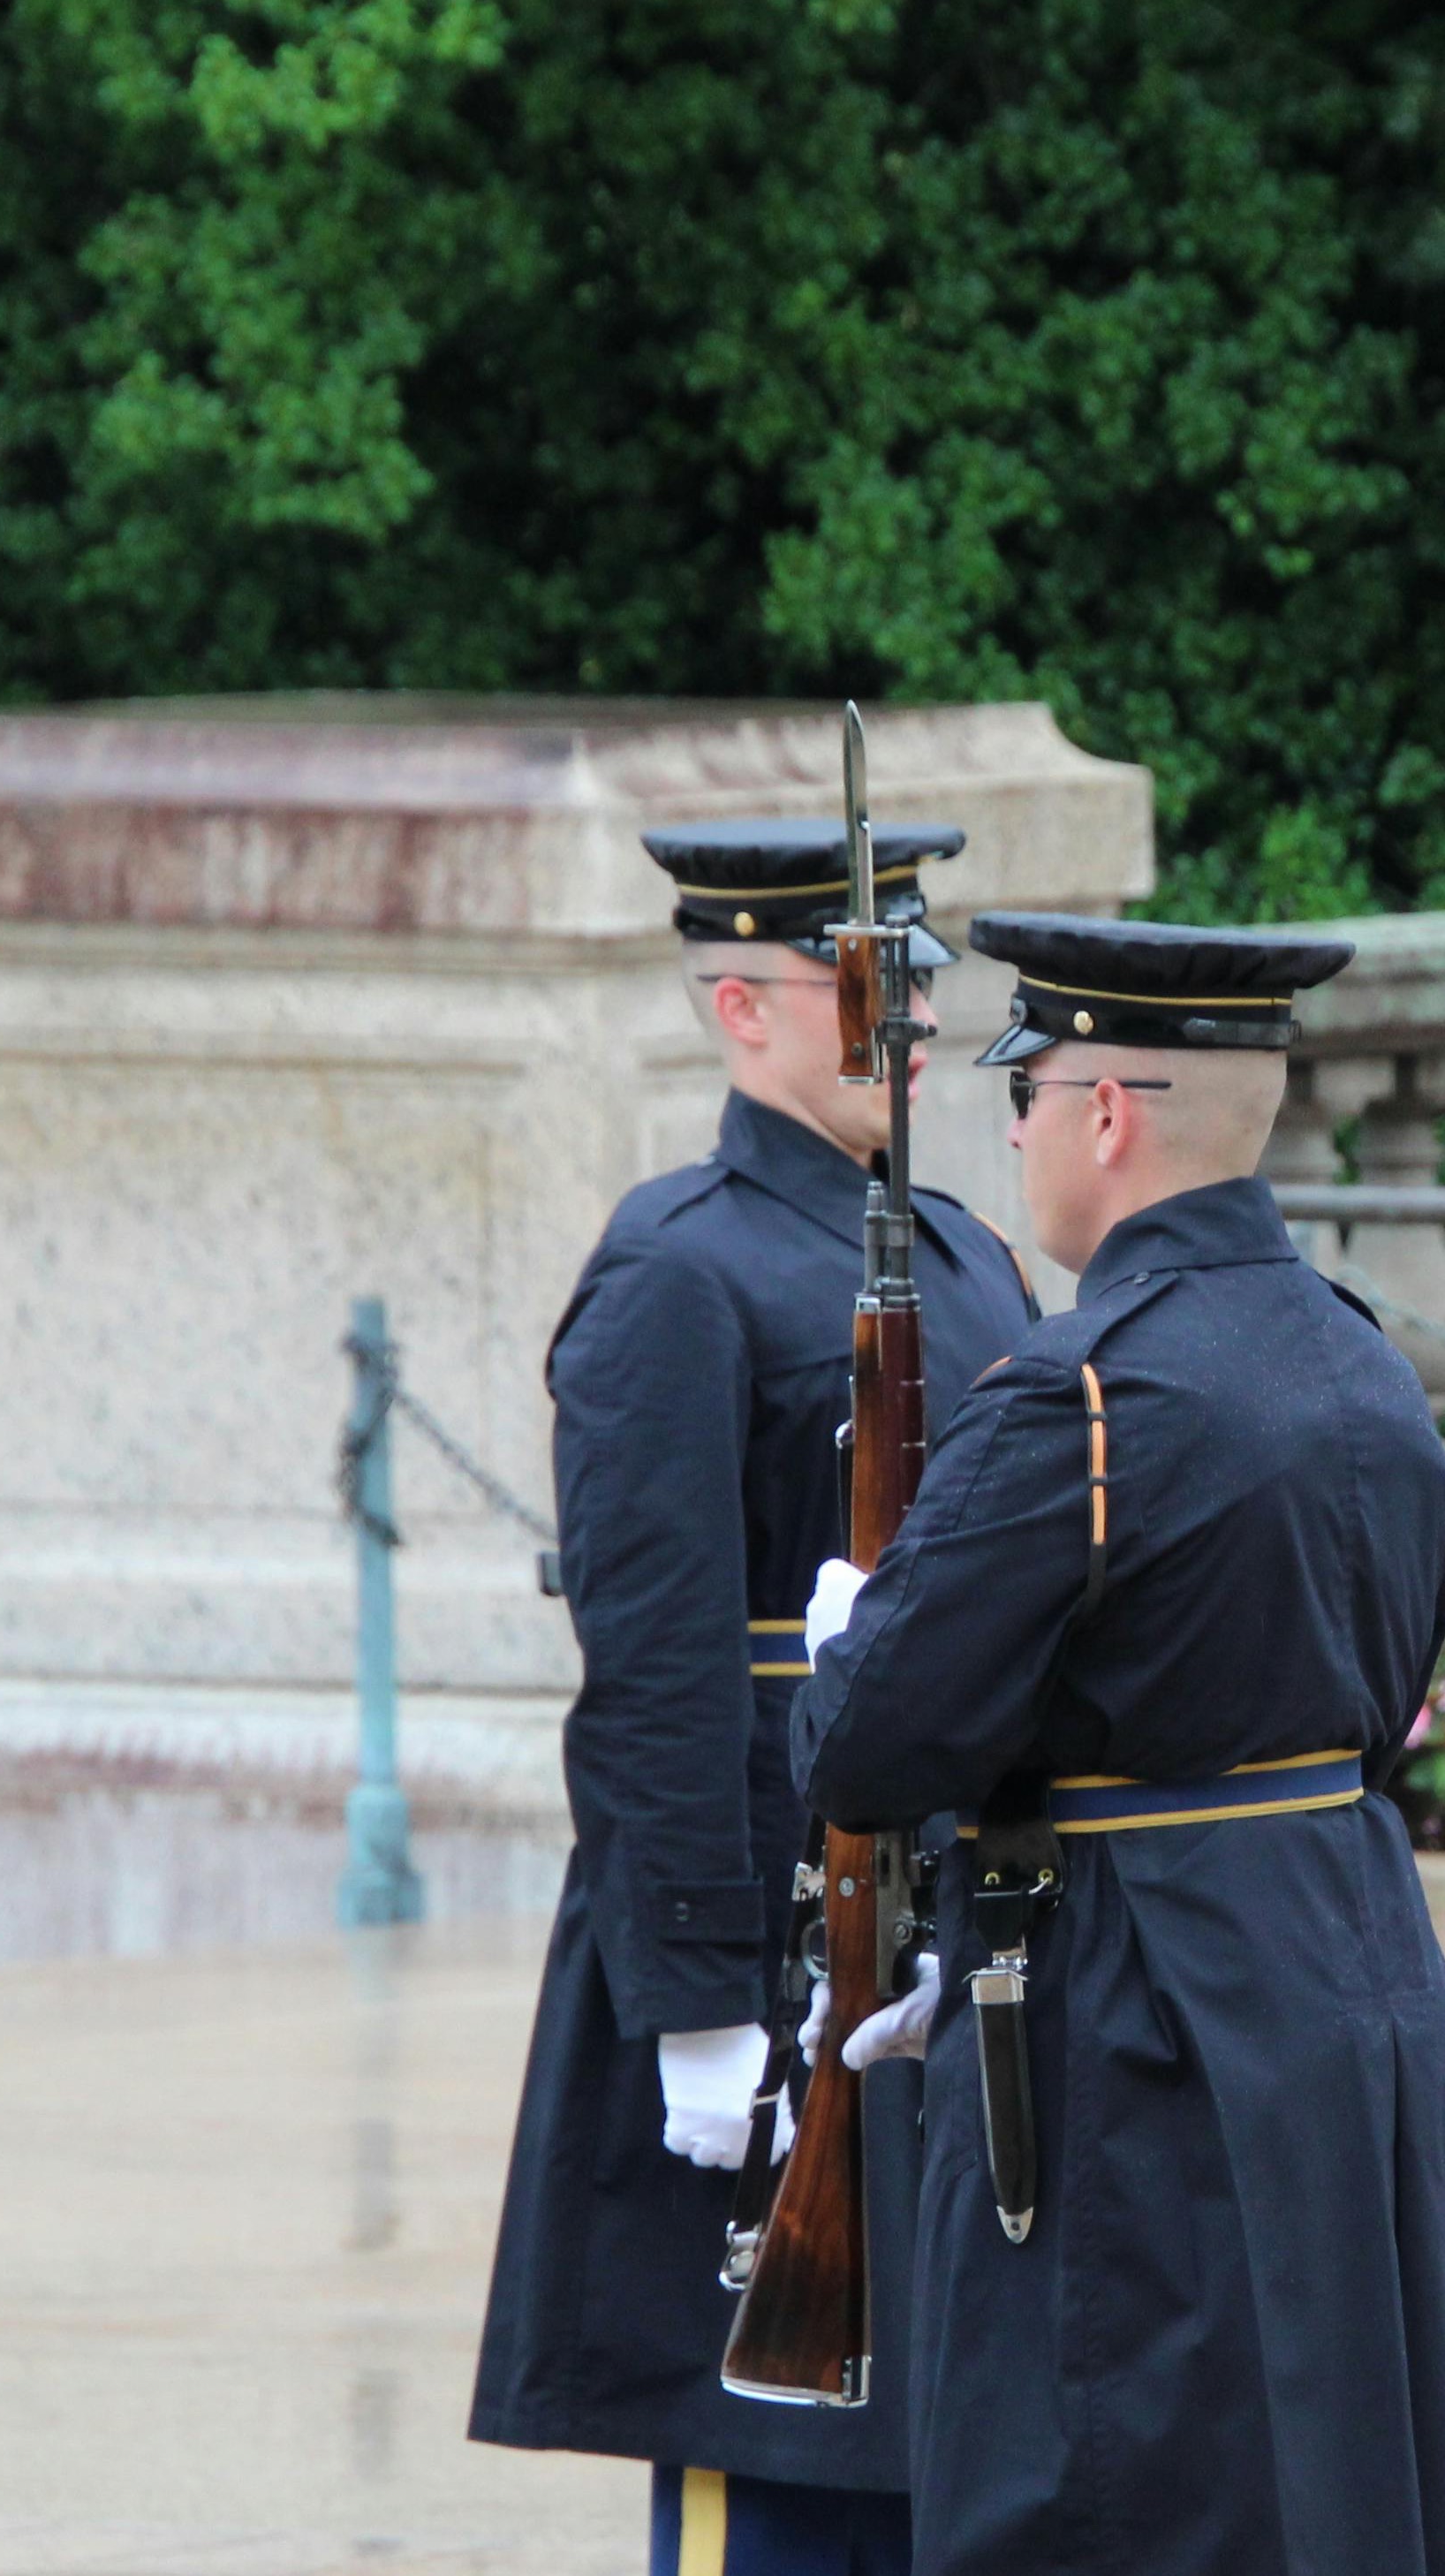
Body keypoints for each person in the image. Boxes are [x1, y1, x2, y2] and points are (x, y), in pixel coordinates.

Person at [790, 912, 1445, 2576]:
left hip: (1140, 2017)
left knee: (1119, 2486)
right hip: (1349, 1966)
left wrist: (851, 1625)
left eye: (1028, 1095)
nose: (1010, 1133)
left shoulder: (1077, 1396)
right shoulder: (1362, 1363)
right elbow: (1369, 1690)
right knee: (1348, 2473)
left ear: (1107, 1115)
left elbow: (866, 1748)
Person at [470, 819, 1042, 2576]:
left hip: (934, 1918)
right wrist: (698, 1997)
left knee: (944, 2452)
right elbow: (650, 1675)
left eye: (923, 984)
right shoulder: (680, 1271)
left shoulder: (961, 1257)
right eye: (868, 986)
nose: (916, 1025)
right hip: (773, 1931)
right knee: (772, 2479)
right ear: (740, 1004)